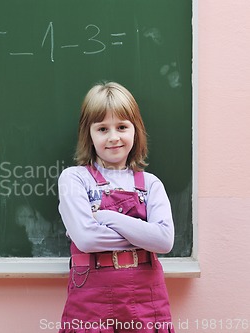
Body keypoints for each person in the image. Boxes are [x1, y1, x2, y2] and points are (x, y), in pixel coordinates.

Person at [57, 82, 175, 332]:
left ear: (136, 130)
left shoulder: (151, 184)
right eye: (102, 128)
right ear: (88, 133)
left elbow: (165, 241)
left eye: (122, 127)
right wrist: (145, 235)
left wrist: (105, 216)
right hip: (91, 302)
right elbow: (87, 239)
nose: (113, 137)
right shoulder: (74, 179)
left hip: (147, 299)